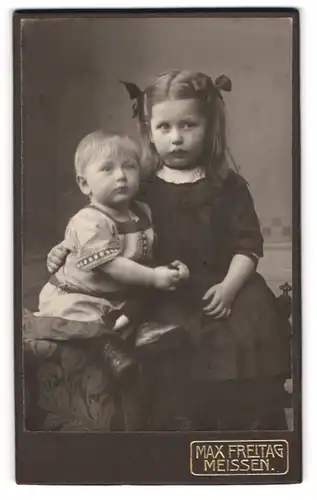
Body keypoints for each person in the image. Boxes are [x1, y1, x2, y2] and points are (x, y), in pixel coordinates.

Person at [47, 71, 291, 431]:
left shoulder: (227, 185)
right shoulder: (139, 187)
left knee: (243, 334)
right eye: (164, 128)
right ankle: (183, 426)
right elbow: (96, 224)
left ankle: (241, 425)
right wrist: (62, 249)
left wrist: (229, 287)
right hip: (163, 285)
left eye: (188, 125)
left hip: (224, 285)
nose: (176, 138)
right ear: (149, 130)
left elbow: (248, 246)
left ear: (209, 126)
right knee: (167, 344)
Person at [23, 131, 189, 431]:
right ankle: (108, 347)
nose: (121, 176)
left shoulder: (142, 212)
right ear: (84, 184)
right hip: (77, 294)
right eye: (107, 169)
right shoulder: (88, 219)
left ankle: (137, 331)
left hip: (119, 293)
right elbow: (110, 264)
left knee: (151, 304)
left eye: (129, 166)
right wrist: (152, 277)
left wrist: (171, 269)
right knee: (84, 319)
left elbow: (143, 253)